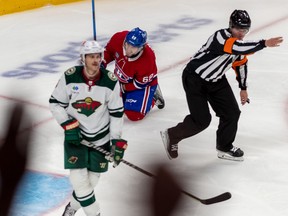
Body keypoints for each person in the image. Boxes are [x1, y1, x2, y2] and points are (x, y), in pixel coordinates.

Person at [160, 10, 283, 161]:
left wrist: (243, 88)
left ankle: (224, 147)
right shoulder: (220, 37)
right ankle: (172, 134)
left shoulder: (239, 45)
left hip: (216, 80)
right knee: (202, 120)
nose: (242, 33)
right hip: (194, 79)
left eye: (245, 30)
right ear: (231, 26)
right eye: (239, 29)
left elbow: (241, 64)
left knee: (231, 113)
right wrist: (263, 43)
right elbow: (237, 48)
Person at [49, 40, 128, 216]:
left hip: (101, 139)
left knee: (90, 183)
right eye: (91, 56)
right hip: (75, 138)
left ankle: (72, 208)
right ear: (82, 58)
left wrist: (116, 141)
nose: (96, 60)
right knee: (80, 182)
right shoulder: (70, 77)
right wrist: (68, 125)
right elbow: (55, 103)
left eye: (98, 56)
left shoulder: (110, 81)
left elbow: (116, 113)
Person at [102, 27, 165, 121]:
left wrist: (125, 88)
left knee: (134, 115)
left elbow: (140, 83)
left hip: (143, 85)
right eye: (127, 44)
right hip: (121, 79)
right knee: (108, 106)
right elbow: (108, 52)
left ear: (141, 47)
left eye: (133, 47)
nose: (128, 50)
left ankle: (153, 96)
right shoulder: (118, 38)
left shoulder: (148, 59)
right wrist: (101, 63)